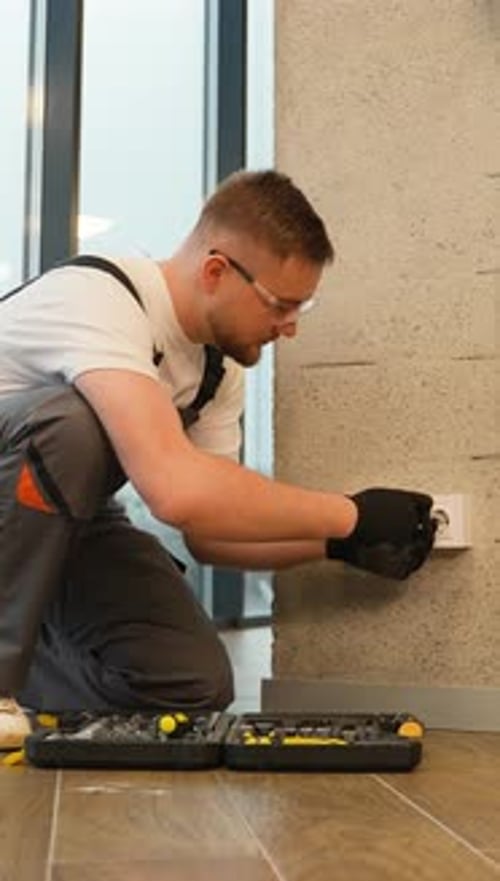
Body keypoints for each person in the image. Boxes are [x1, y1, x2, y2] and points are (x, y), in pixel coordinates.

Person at [0, 170, 435, 748]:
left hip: (59, 517)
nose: (291, 325)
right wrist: (349, 513)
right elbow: (174, 487)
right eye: (281, 304)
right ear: (215, 271)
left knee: (189, 682)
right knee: (71, 428)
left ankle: (22, 688)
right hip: (27, 487)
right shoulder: (99, 300)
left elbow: (207, 532)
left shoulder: (215, 370)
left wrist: (340, 545)